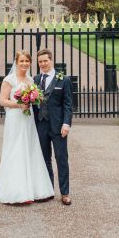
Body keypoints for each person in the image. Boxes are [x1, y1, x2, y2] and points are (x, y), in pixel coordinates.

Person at [0, 50, 54, 204]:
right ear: (16, 62)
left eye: (27, 61)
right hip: (15, 119)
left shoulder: (30, 80)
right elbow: (2, 100)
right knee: (15, 150)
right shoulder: (9, 80)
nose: (24, 64)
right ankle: (16, 192)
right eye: (21, 61)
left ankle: (36, 190)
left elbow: (35, 100)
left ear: (30, 63)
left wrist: (32, 100)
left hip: (28, 120)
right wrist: (19, 104)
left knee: (30, 149)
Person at [33, 48, 75, 205]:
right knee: (44, 159)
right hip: (41, 125)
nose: (43, 64)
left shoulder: (63, 79)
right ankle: (48, 190)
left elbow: (68, 104)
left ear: (51, 60)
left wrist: (66, 123)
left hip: (58, 126)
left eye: (45, 61)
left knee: (61, 158)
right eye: (40, 62)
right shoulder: (35, 80)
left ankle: (65, 193)